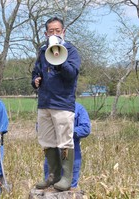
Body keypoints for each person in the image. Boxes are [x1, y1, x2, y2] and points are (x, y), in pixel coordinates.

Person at [31, 16, 81, 191]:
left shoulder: (71, 50)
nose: (54, 33)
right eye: (51, 31)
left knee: (65, 142)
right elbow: (36, 71)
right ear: (46, 33)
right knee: (46, 141)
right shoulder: (42, 51)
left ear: (63, 32)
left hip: (62, 104)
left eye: (57, 31)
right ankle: (53, 175)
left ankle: (67, 178)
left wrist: (59, 59)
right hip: (44, 103)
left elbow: (72, 74)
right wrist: (35, 80)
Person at [43, 102, 91, 188]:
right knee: (49, 188)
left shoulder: (79, 108)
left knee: (69, 189)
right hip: (52, 155)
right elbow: (40, 127)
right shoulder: (48, 109)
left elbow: (85, 129)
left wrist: (66, 132)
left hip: (71, 153)